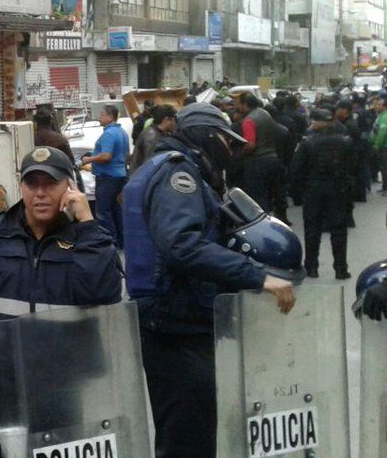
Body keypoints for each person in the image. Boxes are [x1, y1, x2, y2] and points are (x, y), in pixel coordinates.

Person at [121, 102, 297, 458]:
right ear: (205, 135)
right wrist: (257, 276)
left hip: (171, 319)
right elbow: (182, 244)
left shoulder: (165, 166)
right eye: (224, 140)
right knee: (188, 439)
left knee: (187, 431)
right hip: (175, 324)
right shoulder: (179, 175)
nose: (229, 150)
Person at [0, 147, 121, 458]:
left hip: (61, 392)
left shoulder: (87, 240)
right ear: (20, 186)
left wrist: (87, 223)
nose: (40, 194)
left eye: (50, 184)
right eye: (31, 184)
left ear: (70, 188)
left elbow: (105, 294)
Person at [289, 109, 355, 280]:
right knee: (339, 230)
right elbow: (352, 167)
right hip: (338, 189)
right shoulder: (346, 142)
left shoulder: (307, 143)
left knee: (312, 229)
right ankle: (341, 268)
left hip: (314, 190)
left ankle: (311, 267)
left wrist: (300, 191)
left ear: (318, 123)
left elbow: (296, 170)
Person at [80, 105, 129, 247]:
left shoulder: (109, 134)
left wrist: (89, 159)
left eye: (102, 114)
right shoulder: (122, 132)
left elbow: (106, 156)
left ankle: (109, 241)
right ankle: (121, 241)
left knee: (102, 211)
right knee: (115, 210)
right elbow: (126, 156)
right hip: (120, 175)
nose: (99, 117)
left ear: (110, 117)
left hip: (108, 176)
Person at [230, 94, 284, 212]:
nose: (237, 107)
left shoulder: (248, 120)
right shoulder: (265, 114)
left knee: (259, 198)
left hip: (257, 163)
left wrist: (241, 155)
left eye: (239, 104)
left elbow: (250, 145)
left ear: (245, 105)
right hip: (273, 160)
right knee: (272, 194)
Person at [131, 104, 176, 171]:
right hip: (142, 178)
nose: (175, 123)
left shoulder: (161, 132)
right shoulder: (152, 137)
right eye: (174, 120)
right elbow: (150, 165)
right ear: (167, 120)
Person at [372, 97, 387, 194]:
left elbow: (382, 132)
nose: (376, 106)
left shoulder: (384, 117)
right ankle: (384, 186)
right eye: (376, 104)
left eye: (379, 105)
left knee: (385, 167)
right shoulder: (380, 115)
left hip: (384, 147)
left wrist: (377, 144)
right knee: (383, 167)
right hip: (382, 146)